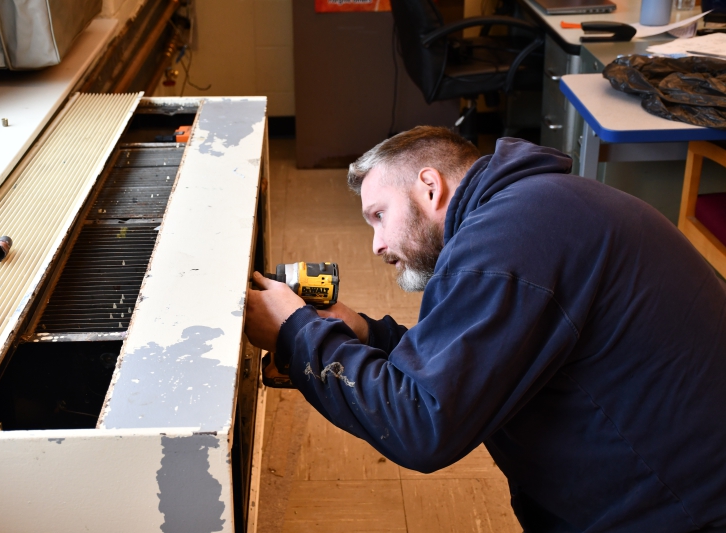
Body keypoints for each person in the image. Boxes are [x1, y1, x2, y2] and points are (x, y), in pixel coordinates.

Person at [244, 126, 726, 532]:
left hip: (680, 513)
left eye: (380, 215)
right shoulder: (529, 211)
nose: (377, 244)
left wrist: (295, 330)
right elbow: (476, 361)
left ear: (429, 187)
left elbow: (422, 424)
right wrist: (367, 335)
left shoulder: (508, 241)